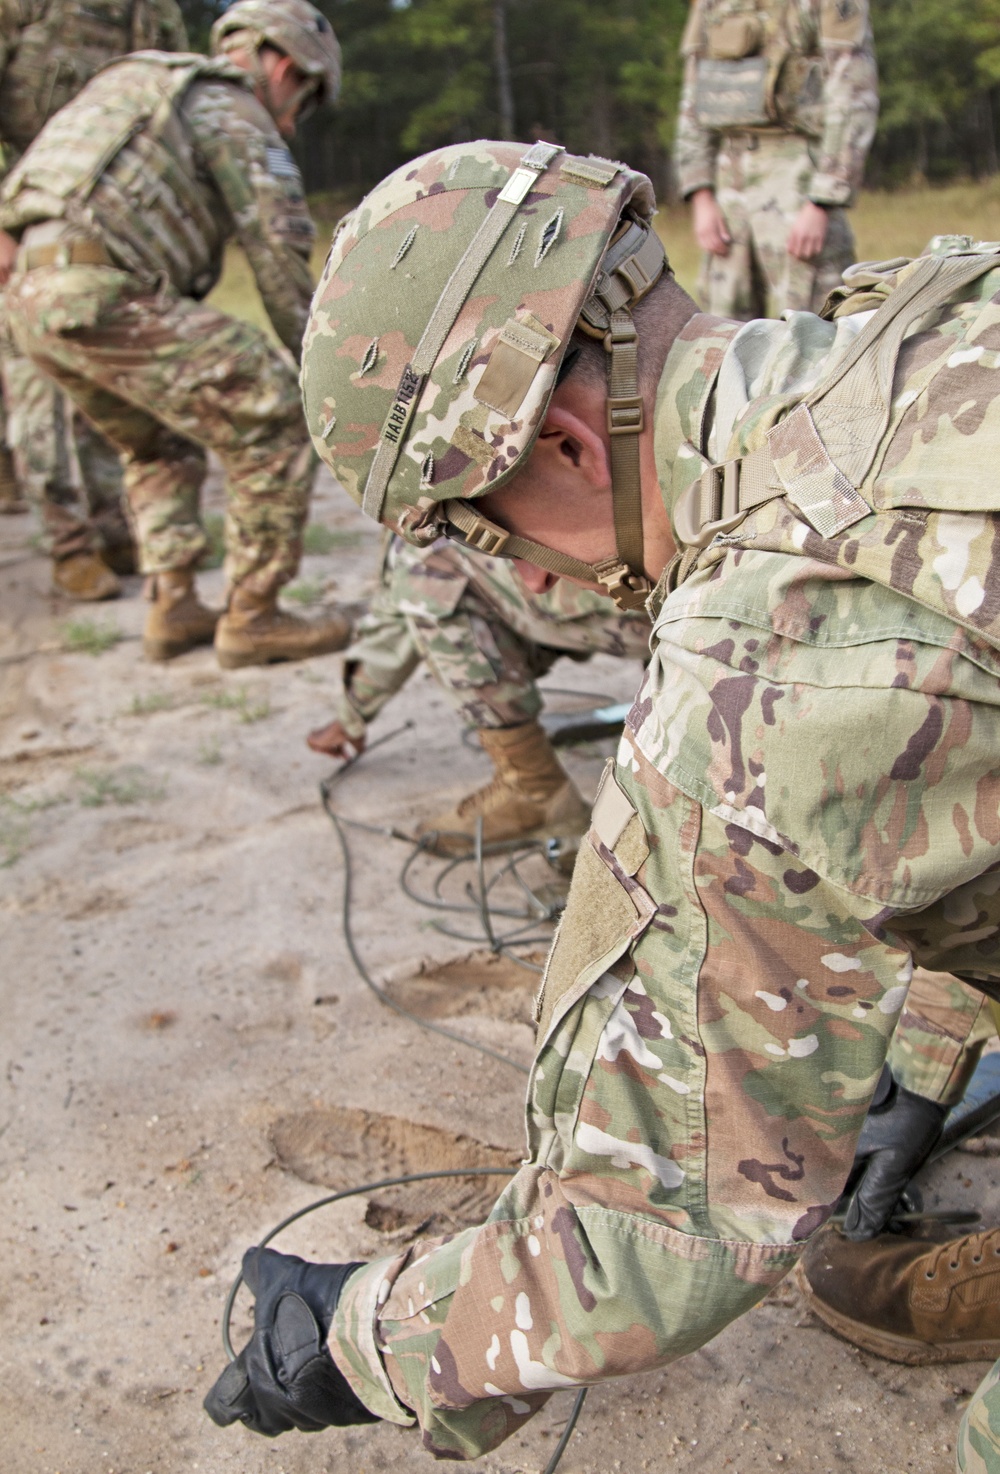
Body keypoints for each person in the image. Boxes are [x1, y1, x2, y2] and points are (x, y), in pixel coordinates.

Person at [204, 141, 1000, 1466]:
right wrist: (925, 1046)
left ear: (566, 446)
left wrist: (355, 1338)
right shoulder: (934, 317)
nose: (512, 567)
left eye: (480, 529)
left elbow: (653, 1228)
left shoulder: (760, 667)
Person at [0, 0, 352, 665]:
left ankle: (175, 605)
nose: (293, 121)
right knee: (273, 410)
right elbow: (278, 248)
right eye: (303, 100)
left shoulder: (133, 81)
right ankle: (255, 614)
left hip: (29, 298)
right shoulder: (230, 105)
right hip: (94, 290)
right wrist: (319, 370)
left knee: (159, 444)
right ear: (282, 64)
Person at [0, 0, 190, 593]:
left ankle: (115, 526)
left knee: (110, 386)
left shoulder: (156, 13)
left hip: (118, 227)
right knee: (37, 384)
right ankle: (69, 544)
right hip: (25, 217)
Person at [307, 533, 650, 852]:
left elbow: (405, 594)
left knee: (432, 564)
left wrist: (351, 712)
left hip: (647, 596)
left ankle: (534, 789)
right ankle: (667, 707)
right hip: (683, 588)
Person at [675, 0, 879, 319]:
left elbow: (852, 96)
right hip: (728, 185)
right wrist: (700, 192)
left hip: (798, 176)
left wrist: (823, 200)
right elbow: (693, 96)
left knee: (813, 330)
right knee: (725, 335)